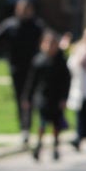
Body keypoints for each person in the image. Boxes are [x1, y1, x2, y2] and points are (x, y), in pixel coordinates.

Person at [0, 0, 44, 146]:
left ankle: (34, 125)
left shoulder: (36, 26)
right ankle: (24, 128)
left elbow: (48, 39)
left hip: (33, 68)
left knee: (32, 98)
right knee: (21, 98)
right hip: (17, 68)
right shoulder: (11, 25)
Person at [22, 30, 71, 162]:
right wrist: (27, 97)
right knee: (42, 122)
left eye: (53, 43)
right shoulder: (39, 60)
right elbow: (31, 81)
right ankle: (39, 145)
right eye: (47, 43)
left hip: (57, 97)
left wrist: (65, 98)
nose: (50, 46)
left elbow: (67, 82)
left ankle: (55, 146)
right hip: (43, 96)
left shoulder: (61, 61)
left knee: (56, 124)